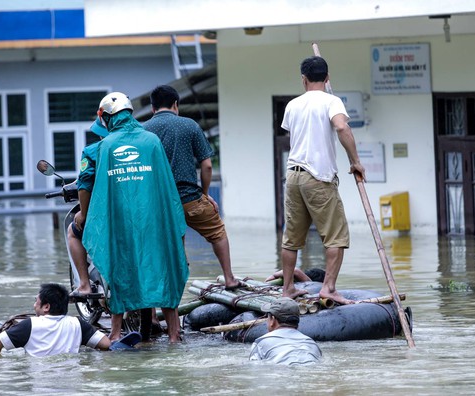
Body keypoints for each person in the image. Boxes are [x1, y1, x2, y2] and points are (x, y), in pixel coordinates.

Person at [82, 91, 189, 343]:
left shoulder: (106, 145)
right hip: (154, 220)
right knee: (162, 268)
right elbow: (165, 186)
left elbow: (101, 193)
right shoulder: (151, 141)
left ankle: (116, 333)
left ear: (108, 118)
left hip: (121, 223)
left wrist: (92, 218)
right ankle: (174, 335)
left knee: (120, 269)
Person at [280, 56, 366, 305]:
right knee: (337, 236)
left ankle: (287, 289)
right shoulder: (332, 101)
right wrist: (355, 161)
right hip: (318, 177)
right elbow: (342, 128)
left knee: (291, 238)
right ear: (327, 78)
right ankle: (328, 288)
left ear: (303, 80)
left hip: (294, 176)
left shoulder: (293, 105)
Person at [143, 85, 240, 290]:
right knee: (217, 233)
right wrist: (204, 195)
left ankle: (154, 310)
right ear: (175, 105)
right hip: (190, 200)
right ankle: (229, 279)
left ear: (153, 108)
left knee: (163, 250)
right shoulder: (189, 125)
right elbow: (206, 165)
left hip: (159, 204)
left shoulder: (143, 131)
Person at [37, 118, 108, 299]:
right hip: (133, 215)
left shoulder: (94, 151)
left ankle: (84, 284)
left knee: (73, 230)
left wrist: (83, 213)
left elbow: (84, 184)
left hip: (103, 215)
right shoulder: (140, 148)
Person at [0, 283, 112, 357]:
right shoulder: (78, 324)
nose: (34, 305)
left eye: (36, 301)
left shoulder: (29, 325)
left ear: (46, 307)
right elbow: (106, 344)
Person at [249, 297, 322, 365]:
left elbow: (254, 368)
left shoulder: (261, 343)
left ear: (273, 320)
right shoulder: (312, 344)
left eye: (267, 317)